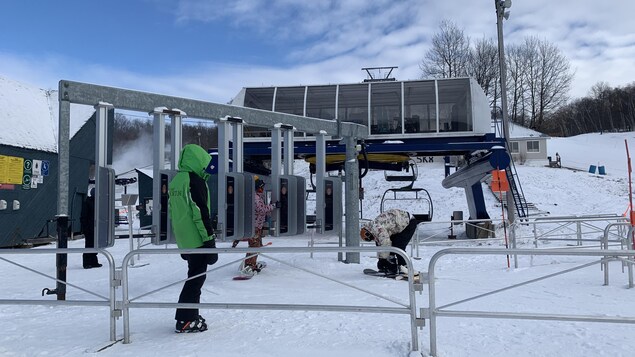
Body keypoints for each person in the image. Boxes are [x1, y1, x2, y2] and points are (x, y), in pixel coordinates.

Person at [168, 144, 218, 333]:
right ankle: (185, 319)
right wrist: (210, 241)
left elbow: (173, 212)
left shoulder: (176, 181)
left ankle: (190, 314)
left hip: (185, 239)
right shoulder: (194, 181)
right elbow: (199, 212)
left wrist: (181, 241)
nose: (204, 168)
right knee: (196, 279)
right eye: (203, 163)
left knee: (194, 277)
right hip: (197, 239)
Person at [234, 177, 278, 276]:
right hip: (255, 226)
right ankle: (249, 265)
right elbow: (261, 209)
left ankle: (251, 263)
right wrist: (273, 206)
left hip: (256, 225)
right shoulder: (256, 198)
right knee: (254, 246)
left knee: (255, 246)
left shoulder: (256, 196)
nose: (262, 190)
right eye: (261, 188)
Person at [360, 208, 418, 275]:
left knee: (398, 246)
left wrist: (383, 260)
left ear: (368, 233)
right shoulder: (372, 227)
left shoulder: (378, 229)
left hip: (408, 223)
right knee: (391, 245)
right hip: (398, 224)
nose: (373, 239)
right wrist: (382, 260)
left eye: (371, 238)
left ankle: (405, 266)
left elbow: (385, 243)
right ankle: (391, 264)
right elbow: (380, 244)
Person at [80, 187, 102, 269]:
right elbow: (84, 216)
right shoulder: (88, 202)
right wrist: (85, 227)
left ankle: (94, 261)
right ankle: (86, 262)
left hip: (95, 227)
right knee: (89, 244)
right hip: (89, 227)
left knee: (95, 244)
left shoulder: (97, 202)